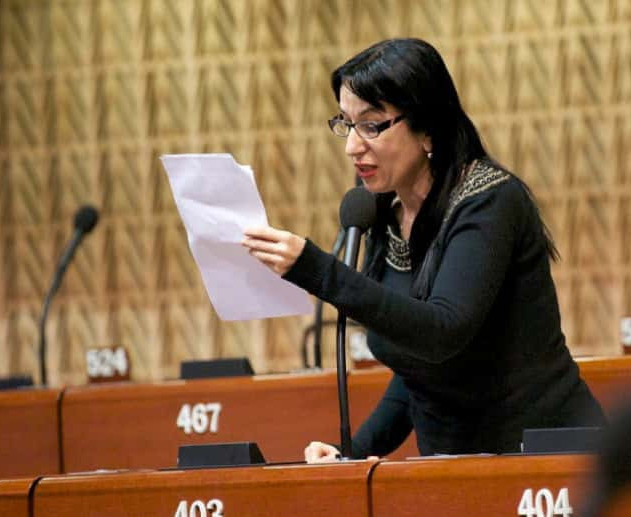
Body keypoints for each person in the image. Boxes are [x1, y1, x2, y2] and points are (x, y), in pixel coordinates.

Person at [242, 38, 605, 462]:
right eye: (346, 123)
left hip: (545, 459)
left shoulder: (489, 201)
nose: (352, 146)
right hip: (452, 466)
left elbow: (441, 333)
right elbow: (417, 372)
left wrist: (317, 270)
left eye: (371, 125)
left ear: (427, 126)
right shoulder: (382, 208)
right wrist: (353, 452)